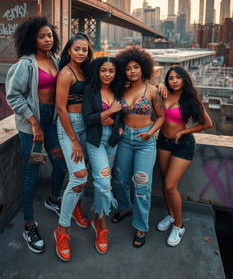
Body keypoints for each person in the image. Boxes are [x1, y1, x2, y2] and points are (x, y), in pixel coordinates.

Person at [6, 16, 67, 254]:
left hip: (51, 121)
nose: (47, 39)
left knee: (60, 165)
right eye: (42, 36)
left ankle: (53, 199)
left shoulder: (56, 59)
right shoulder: (26, 64)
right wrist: (33, 123)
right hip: (32, 125)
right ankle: (29, 225)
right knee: (31, 174)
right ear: (32, 38)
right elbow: (13, 96)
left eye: (50, 35)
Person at [112, 46, 165, 248]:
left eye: (136, 67)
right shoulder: (122, 90)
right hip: (125, 139)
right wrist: (118, 128)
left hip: (145, 142)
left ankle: (141, 225)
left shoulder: (153, 91)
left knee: (142, 186)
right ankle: (126, 207)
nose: (132, 71)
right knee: (120, 179)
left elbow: (161, 117)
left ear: (143, 67)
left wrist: (151, 133)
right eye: (127, 68)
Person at [156, 65, 212, 246]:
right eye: (170, 78)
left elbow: (207, 123)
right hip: (163, 142)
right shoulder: (163, 93)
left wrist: (184, 131)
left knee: (171, 186)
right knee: (165, 183)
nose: (174, 81)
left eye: (177, 78)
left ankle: (179, 226)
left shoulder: (190, 99)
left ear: (184, 79)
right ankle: (171, 216)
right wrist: (158, 85)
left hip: (183, 145)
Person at [54, 32, 93, 262]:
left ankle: (76, 207)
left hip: (85, 126)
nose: (80, 53)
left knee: (78, 171)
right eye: (77, 49)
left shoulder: (86, 72)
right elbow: (61, 109)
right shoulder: (66, 74)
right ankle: (62, 230)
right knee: (79, 177)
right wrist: (75, 140)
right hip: (69, 126)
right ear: (69, 50)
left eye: (85, 50)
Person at [82, 57, 123, 254]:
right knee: (105, 181)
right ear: (98, 71)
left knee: (100, 182)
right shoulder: (90, 91)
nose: (107, 74)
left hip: (112, 141)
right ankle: (103, 227)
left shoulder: (118, 91)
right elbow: (87, 119)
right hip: (96, 140)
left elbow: (122, 115)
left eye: (111, 71)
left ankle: (97, 218)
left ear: (116, 73)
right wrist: (109, 113)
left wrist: (120, 126)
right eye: (103, 70)